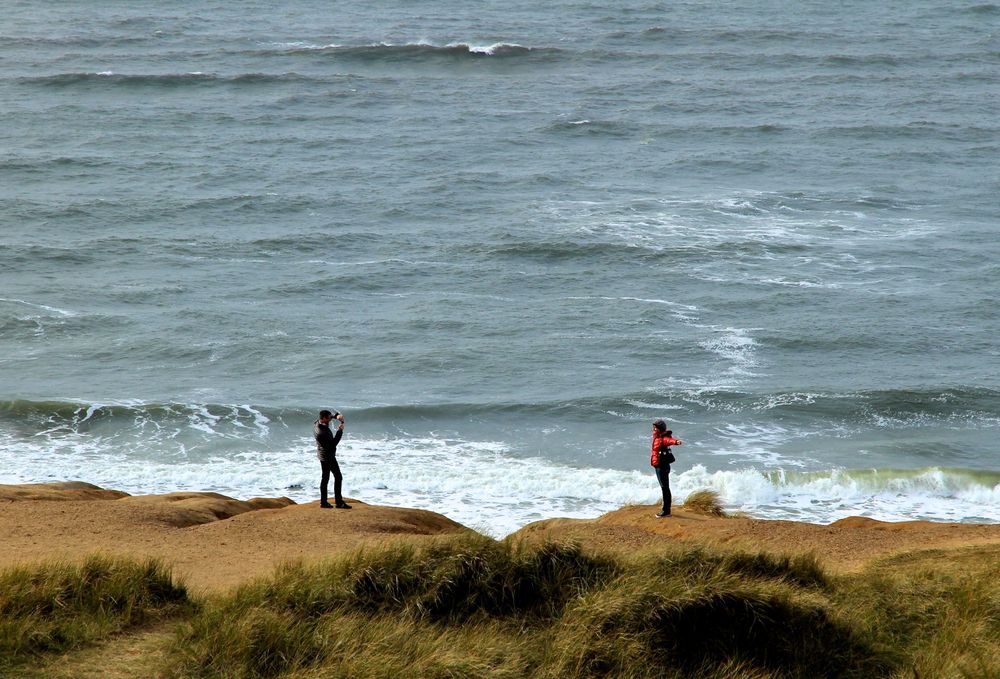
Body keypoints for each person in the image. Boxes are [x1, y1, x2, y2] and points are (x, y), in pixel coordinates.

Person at [314, 409, 350, 509]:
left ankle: (324, 502)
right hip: (327, 456)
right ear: (324, 418)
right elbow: (333, 444)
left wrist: (336, 416)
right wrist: (340, 431)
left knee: (325, 478)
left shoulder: (318, 422)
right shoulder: (322, 432)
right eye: (329, 418)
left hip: (322, 454)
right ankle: (339, 502)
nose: (331, 419)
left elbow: (329, 415)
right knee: (338, 477)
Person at [650, 419, 682, 517]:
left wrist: (676, 442)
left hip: (662, 466)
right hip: (660, 465)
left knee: (665, 488)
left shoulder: (663, 438)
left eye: (656, 427)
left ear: (660, 429)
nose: (654, 429)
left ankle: (666, 511)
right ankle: (666, 509)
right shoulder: (657, 437)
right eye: (654, 427)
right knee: (664, 488)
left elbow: (669, 441)